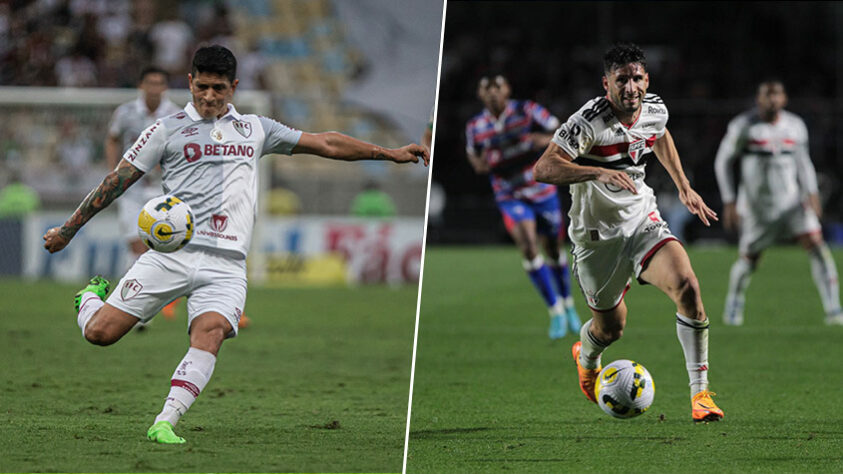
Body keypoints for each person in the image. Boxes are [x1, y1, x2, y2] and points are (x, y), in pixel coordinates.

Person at [43, 45, 429, 444]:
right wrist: (68, 230)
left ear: (234, 87)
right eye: (203, 87)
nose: (210, 96)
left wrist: (390, 153)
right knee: (99, 334)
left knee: (210, 333)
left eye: (220, 88)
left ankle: (165, 422)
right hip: (171, 256)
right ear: (190, 82)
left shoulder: (256, 128)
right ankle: (90, 297)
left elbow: (325, 143)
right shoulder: (166, 129)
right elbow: (117, 180)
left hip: (226, 264)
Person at [533, 42, 724, 422]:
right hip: (595, 237)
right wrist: (597, 172)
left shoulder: (654, 108)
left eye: (637, 78)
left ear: (646, 79)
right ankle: (586, 356)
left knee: (688, 286)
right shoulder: (587, 122)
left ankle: (700, 396)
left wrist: (683, 185)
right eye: (622, 80)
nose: (631, 87)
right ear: (607, 84)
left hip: (642, 220)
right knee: (611, 328)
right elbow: (543, 169)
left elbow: (661, 135)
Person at [714, 80, 842, 326]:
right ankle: (734, 305)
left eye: (776, 95)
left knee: (817, 247)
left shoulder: (794, 126)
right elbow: (723, 161)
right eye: (766, 95)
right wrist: (729, 200)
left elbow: (803, 163)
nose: (772, 100)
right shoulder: (744, 126)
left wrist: (812, 193)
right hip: (757, 209)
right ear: (758, 99)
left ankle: (834, 309)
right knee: (749, 260)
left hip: (793, 203)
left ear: (784, 99)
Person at [465, 74, 580, 340]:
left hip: (542, 189)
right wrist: (487, 161)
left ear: (507, 90)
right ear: (481, 95)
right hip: (509, 194)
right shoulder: (476, 125)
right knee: (528, 245)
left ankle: (568, 304)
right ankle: (555, 312)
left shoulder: (526, 110)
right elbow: (476, 159)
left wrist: (539, 140)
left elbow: (560, 131)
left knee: (553, 249)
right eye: (487, 88)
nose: (493, 92)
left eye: (497, 87)